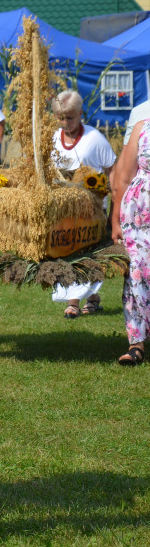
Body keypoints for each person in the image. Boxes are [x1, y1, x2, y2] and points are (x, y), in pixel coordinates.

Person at [50, 91, 117, 318]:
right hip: (62, 211)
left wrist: (114, 206)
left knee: (85, 255)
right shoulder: (52, 139)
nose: (65, 123)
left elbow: (113, 171)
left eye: (70, 118)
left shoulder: (95, 139)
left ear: (80, 114)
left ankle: (73, 303)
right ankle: (92, 298)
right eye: (60, 118)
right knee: (67, 253)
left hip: (92, 211)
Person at [112, 118, 149, 366]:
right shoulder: (142, 127)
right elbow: (124, 178)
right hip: (138, 215)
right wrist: (115, 219)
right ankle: (136, 344)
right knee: (136, 271)